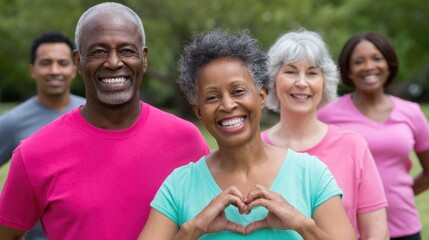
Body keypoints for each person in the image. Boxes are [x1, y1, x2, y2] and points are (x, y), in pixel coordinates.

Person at [0, 2, 210, 240]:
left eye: (126, 51)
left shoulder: (186, 140)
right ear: (78, 61)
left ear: (144, 58)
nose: (113, 62)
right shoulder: (33, 154)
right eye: (99, 51)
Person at [138, 29, 356, 239]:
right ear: (199, 112)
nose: (227, 104)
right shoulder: (179, 186)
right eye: (212, 97)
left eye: (238, 91)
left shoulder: (311, 175)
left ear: (261, 96)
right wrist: (193, 229)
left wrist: (301, 224)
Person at [260, 30, 389, 239]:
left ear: (324, 81)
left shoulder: (353, 146)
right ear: (272, 81)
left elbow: (378, 233)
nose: (302, 82)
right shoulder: (254, 147)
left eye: (312, 73)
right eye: (291, 72)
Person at [318, 32, 429, 240]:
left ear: (388, 64)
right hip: (348, 230)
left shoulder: (411, 112)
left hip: (405, 227)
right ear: (348, 71)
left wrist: (399, 195)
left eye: (377, 58)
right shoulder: (327, 115)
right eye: (359, 61)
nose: (369, 66)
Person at [0, 31, 85, 240]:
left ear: (75, 68)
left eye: (62, 63)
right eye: (46, 63)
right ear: (32, 70)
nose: (54, 70)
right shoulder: (13, 122)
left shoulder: (93, 113)